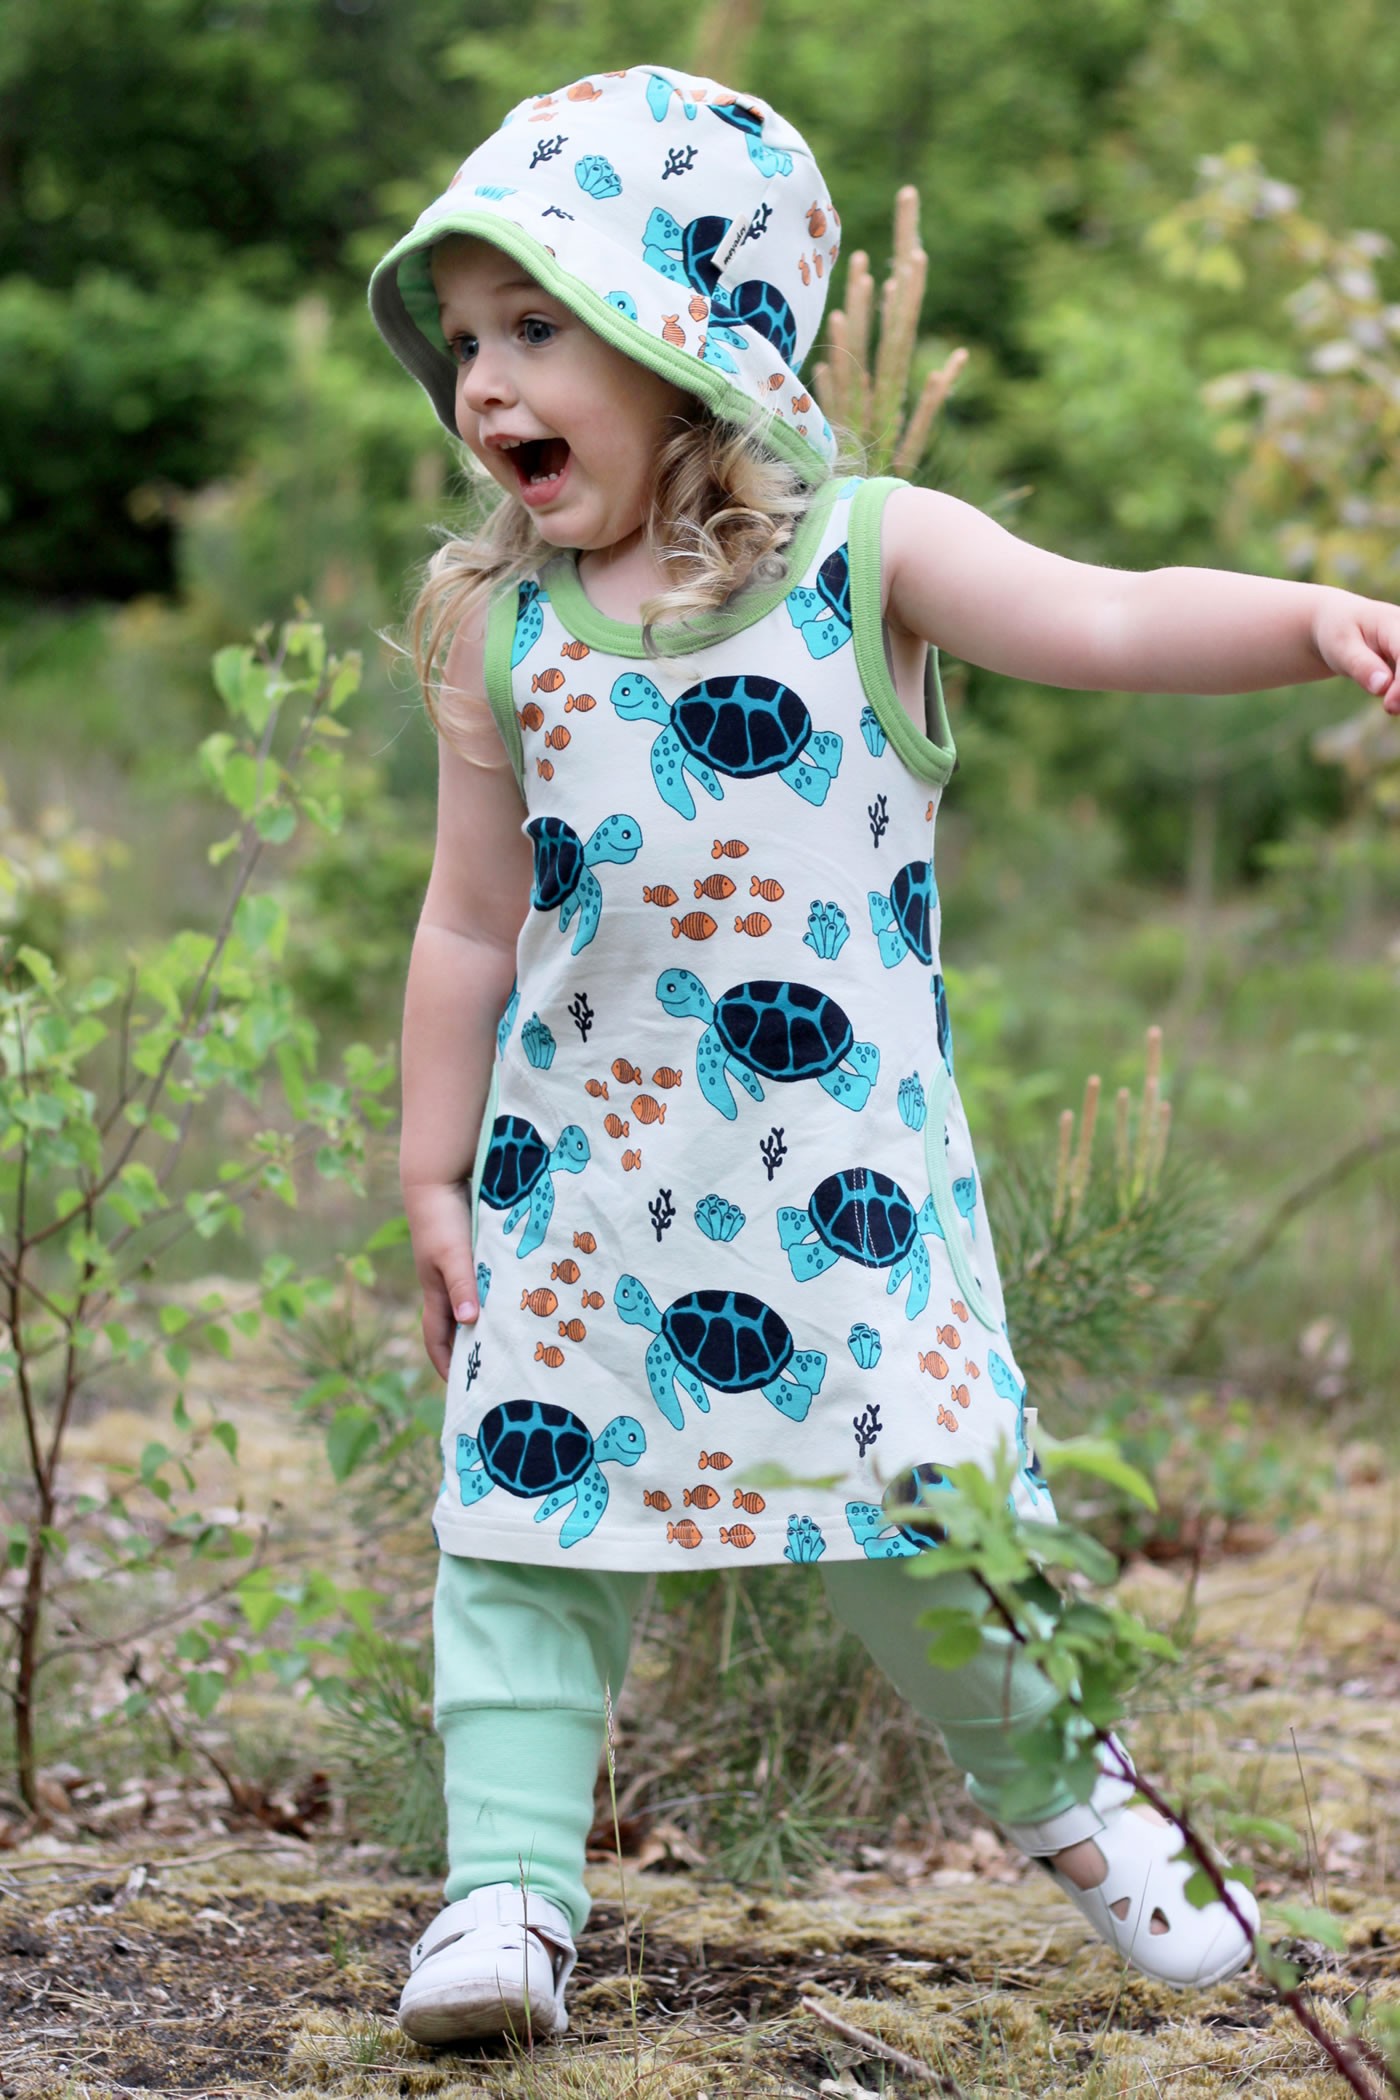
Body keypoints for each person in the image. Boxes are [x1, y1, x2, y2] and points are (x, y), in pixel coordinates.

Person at [368, 65, 1400, 2045]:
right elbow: (468, 924)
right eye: (470, 341)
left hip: (842, 1198)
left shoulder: (866, 556)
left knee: (930, 1528)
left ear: (688, 338)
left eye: (539, 328)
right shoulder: (504, 630)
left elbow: (1111, 618)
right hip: (575, 1191)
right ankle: (505, 1896)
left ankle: (1094, 1819)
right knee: (519, 1538)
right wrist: (429, 1171)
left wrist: (1309, 618)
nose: (487, 384)